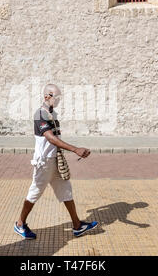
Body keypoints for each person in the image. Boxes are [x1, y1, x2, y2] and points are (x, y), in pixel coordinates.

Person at [14, 84, 98, 239]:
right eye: (56, 97)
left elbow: (55, 139)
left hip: (54, 161)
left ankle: (77, 226)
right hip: (44, 162)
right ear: (47, 96)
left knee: (66, 189)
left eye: (59, 97)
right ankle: (20, 224)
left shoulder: (53, 114)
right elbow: (51, 138)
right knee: (34, 193)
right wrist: (75, 149)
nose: (58, 100)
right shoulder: (40, 114)